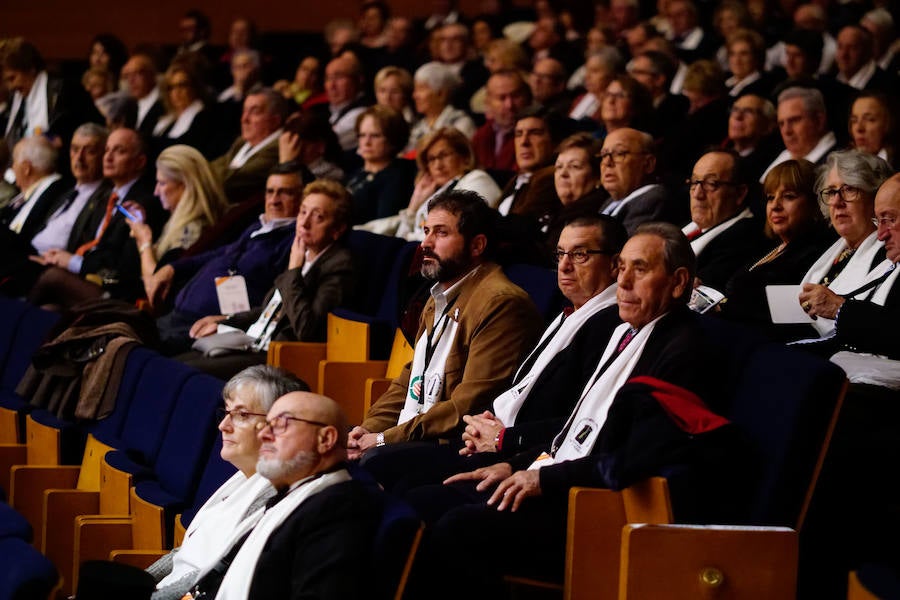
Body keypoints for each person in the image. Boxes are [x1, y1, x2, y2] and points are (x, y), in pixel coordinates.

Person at [406, 222, 743, 599]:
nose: (624, 281)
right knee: (425, 500)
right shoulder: (627, 331)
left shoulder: (684, 353)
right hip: (568, 482)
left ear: (678, 283)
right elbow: (577, 429)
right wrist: (516, 464)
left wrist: (542, 479)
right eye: (622, 267)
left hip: (601, 510)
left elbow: (632, 459)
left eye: (640, 269)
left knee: (454, 526)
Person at [347, 189, 542, 457]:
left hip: (458, 447)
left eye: (441, 233)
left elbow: (467, 406)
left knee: (371, 462)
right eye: (426, 231)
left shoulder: (501, 304)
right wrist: (367, 429)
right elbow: (412, 379)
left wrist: (383, 440)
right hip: (418, 435)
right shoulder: (439, 295)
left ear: (477, 245)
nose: (425, 244)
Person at [189, 391, 383, 600]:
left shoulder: (337, 510)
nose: (263, 435)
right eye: (267, 425)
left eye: (280, 425)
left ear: (325, 439)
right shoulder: (293, 494)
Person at [146, 365, 306, 600]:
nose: (223, 425)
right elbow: (185, 553)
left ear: (278, 426)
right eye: (227, 412)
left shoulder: (273, 496)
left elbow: (207, 575)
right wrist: (138, 583)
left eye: (241, 415)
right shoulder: (242, 477)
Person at [175, 180, 356, 379]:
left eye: (318, 217)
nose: (304, 223)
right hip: (252, 341)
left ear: (337, 229)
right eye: (303, 212)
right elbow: (269, 310)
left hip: (280, 355)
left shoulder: (339, 265)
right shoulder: (301, 253)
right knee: (174, 363)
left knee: (185, 373)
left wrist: (293, 271)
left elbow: (306, 328)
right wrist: (224, 319)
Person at [151, 165, 305, 355]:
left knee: (132, 347)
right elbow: (219, 254)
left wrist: (228, 319)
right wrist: (172, 268)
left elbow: (276, 302)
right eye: (270, 191)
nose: (274, 200)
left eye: (285, 193)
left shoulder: (294, 241)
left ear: (302, 198)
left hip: (206, 327)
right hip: (179, 315)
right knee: (124, 330)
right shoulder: (258, 227)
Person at [31, 127, 165, 304]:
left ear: (140, 162)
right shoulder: (103, 198)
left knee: (51, 278)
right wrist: (58, 258)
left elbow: (123, 269)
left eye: (119, 151)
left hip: (115, 291)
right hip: (86, 279)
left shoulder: (144, 205)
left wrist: (74, 263)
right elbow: (89, 244)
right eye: (107, 150)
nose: (108, 157)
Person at [719, 160, 834, 340]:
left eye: (788, 196)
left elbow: (781, 317)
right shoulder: (769, 247)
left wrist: (723, 309)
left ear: (815, 203)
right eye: (771, 197)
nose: (775, 206)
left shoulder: (815, 254)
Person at [797, 150, 893, 339]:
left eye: (849, 189)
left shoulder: (889, 254)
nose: (837, 202)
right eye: (831, 192)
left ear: (875, 197)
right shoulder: (826, 249)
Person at [127, 145, 228, 299]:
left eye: (162, 183)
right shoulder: (181, 220)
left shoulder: (191, 229)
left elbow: (155, 288)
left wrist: (144, 243)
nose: (156, 192)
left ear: (185, 186)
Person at [371, 127, 500, 240]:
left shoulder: (477, 178)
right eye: (431, 159)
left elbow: (456, 233)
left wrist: (409, 238)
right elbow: (400, 237)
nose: (438, 165)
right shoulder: (437, 192)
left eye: (443, 156)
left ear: (464, 156)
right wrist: (414, 204)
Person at [1, 39, 102, 170]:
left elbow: (93, 129)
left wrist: (61, 141)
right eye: (7, 81)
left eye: (12, 78)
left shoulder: (65, 91)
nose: (11, 87)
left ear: (31, 69)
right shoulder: (16, 101)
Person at [682, 150, 767, 292]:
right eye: (694, 182)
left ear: (739, 193)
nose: (697, 194)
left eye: (711, 183)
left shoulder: (742, 239)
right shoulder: (689, 228)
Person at [210, 89, 287, 202]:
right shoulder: (242, 142)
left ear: (275, 120)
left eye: (254, 112)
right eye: (244, 111)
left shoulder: (277, 148)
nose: (244, 119)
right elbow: (208, 167)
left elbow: (229, 182)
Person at [346, 105, 416, 225]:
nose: (366, 142)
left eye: (375, 136)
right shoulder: (354, 173)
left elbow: (384, 222)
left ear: (393, 139)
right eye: (362, 135)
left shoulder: (400, 176)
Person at [598, 128, 667, 235]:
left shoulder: (651, 201)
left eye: (620, 153)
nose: (607, 162)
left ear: (648, 163)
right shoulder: (609, 202)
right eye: (604, 155)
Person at [760, 86, 837, 181]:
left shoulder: (836, 164)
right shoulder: (781, 156)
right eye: (781, 124)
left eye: (794, 120)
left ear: (819, 120)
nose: (786, 131)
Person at [151, 60, 217, 159]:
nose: (176, 92)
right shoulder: (168, 121)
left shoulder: (204, 118)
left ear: (194, 87)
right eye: (171, 87)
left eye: (182, 85)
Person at [471, 70, 532, 173]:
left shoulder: (536, 135)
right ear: (488, 101)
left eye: (515, 96)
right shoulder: (480, 136)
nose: (509, 105)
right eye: (502, 98)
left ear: (527, 97)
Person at [406, 62, 475, 152]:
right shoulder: (417, 129)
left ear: (441, 94)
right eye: (415, 89)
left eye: (421, 89)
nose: (415, 96)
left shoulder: (461, 123)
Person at [721, 94, 782, 186]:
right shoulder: (717, 151)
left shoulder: (771, 164)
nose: (738, 116)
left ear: (769, 125)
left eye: (748, 111)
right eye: (735, 109)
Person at [323, 52, 368, 152]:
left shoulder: (362, 114)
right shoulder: (329, 110)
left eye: (338, 77)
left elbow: (325, 145)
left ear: (358, 80)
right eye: (328, 78)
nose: (331, 85)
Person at [121, 53, 166, 137]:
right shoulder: (130, 106)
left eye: (137, 73)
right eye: (127, 75)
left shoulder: (165, 102)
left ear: (151, 74)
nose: (131, 80)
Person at [849, 92, 896, 168]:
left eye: (870, 119)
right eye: (854, 120)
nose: (859, 128)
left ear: (887, 124)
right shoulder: (844, 166)